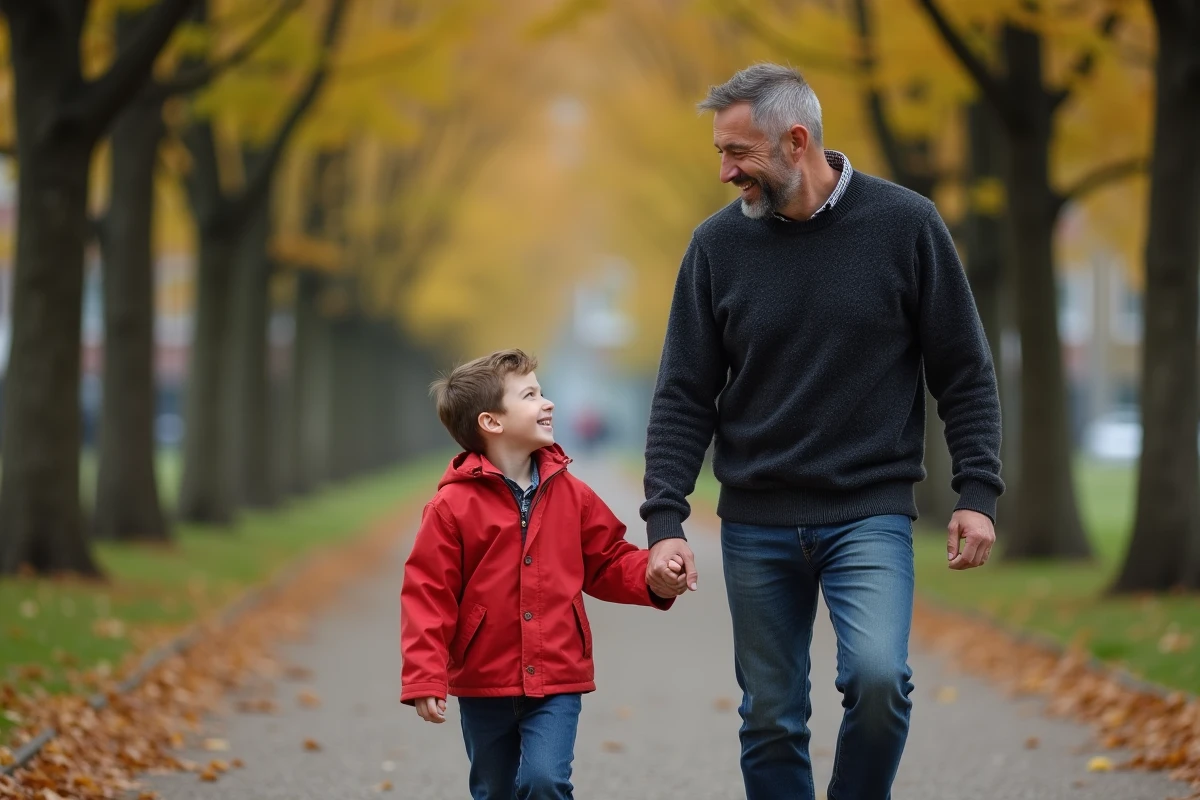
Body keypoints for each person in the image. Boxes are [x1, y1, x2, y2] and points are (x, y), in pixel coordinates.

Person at [641, 64, 1004, 800]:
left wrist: (977, 491)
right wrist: (665, 519)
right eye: (720, 151)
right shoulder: (715, 249)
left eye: (737, 153)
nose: (723, 171)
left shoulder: (908, 225)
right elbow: (683, 393)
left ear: (796, 142)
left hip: (866, 511)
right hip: (755, 519)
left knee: (879, 680)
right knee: (771, 717)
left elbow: (963, 369)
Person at [401, 349, 673, 800]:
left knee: (545, 781)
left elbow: (606, 560)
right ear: (492, 422)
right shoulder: (451, 509)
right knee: (495, 789)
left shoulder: (573, 494)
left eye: (543, 392)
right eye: (530, 395)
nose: (547, 403)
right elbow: (429, 594)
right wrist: (425, 675)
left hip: (556, 675)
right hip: (483, 679)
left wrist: (651, 574)